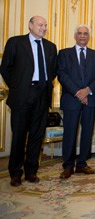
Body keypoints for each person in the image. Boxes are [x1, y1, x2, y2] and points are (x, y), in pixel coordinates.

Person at [0, 16, 57, 187]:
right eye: (40, 25)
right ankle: (15, 173)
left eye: (45, 25)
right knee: (19, 135)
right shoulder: (16, 43)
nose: (44, 28)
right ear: (30, 25)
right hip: (22, 96)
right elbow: (5, 68)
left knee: (37, 136)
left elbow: (53, 71)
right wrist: (18, 87)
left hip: (42, 95)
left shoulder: (50, 47)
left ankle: (31, 171)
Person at [58, 24, 95, 179]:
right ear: (75, 36)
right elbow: (62, 75)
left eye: (85, 33)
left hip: (90, 100)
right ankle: (68, 166)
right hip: (71, 99)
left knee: (87, 132)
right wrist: (78, 92)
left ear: (89, 36)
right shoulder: (64, 54)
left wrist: (87, 91)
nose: (83, 36)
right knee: (70, 132)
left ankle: (82, 164)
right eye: (80, 33)